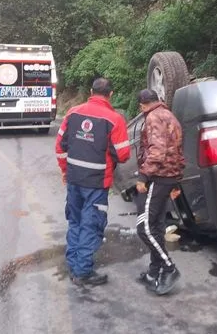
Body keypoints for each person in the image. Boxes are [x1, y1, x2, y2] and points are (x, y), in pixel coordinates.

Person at [55, 77, 131, 286]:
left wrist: (65, 171)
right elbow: (123, 154)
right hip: (96, 183)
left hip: (74, 179)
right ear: (111, 94)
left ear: (91, 91)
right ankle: (82, 272)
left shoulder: (73, 113)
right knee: (91, 224)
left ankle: (74, 264)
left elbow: (60, 147)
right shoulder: (115, 119)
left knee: (75, 221)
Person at [135, 88, 185, 296]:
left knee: (144, 227)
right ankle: (153, 272)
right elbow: (178, 151)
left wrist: (143, 176)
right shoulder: (169, 115)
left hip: (158, 177)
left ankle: (169, 268)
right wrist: (176, 181)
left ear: (142, 105)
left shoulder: (153, 117)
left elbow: (157, 151)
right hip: (169, 177)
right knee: (156, 225)